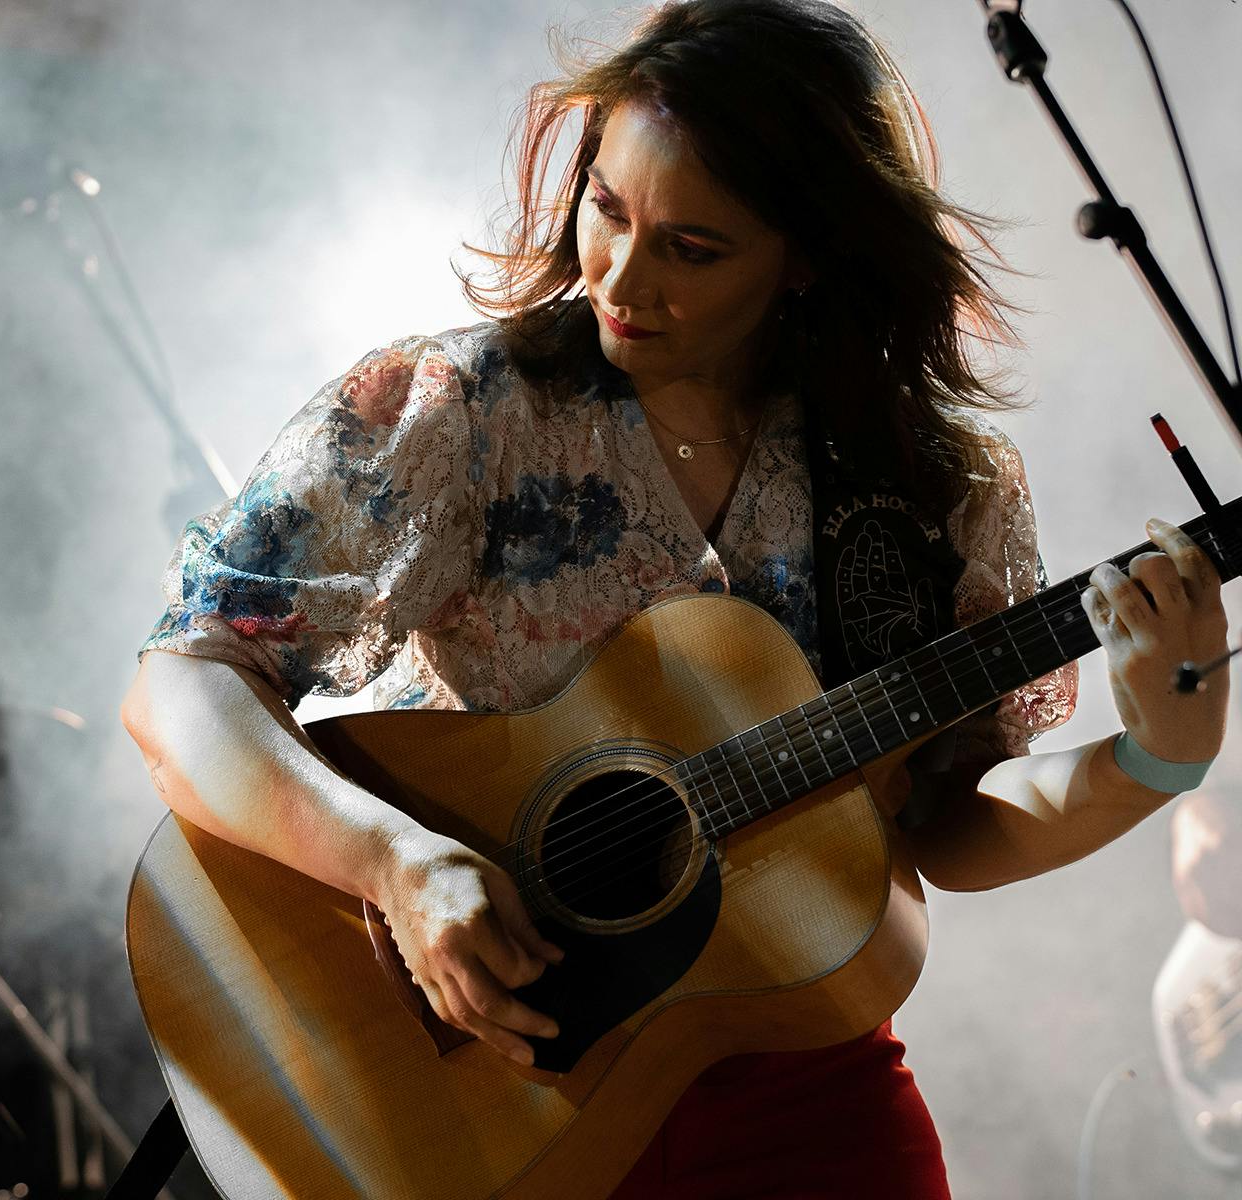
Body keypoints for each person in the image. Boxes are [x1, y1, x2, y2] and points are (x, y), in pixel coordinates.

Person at [121, 1, 1231, 1195]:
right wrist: (393, 863)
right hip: (505, 1093)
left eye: (692, 249)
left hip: (807, 1097)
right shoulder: (466, 412)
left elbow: (945, 823)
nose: (621, 276)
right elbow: (181, 682)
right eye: (607, 208)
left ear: (806, 254)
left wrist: (1154, 759)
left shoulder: (930, 487)